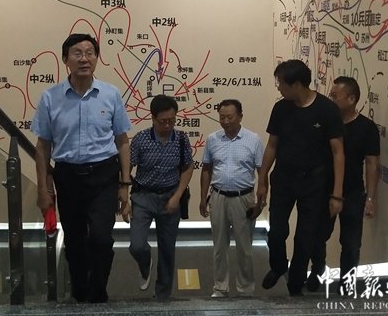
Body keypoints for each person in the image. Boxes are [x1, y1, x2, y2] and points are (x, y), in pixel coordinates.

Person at [32, 33, 132, 303]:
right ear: (66, 59)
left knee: (101, 238)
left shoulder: (110, 94)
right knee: (74, 240)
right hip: (68, 177)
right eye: (77, 53)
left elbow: (122, 141)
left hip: (104, 175)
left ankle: (98, 292)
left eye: (90, 53)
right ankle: (79, 292)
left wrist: (125, 184)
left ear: (97, 58)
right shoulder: (50, 97)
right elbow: (43, 146)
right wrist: (43, 189)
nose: (84, 58)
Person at [256, 59, 345, 296]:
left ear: (296, 84)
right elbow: (272, 146)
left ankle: (295, 284)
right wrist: (262, 179)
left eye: (281, 84)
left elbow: (338, 152)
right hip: (283, 179)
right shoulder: (281, 108)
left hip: (314, 183)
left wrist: (337, 194)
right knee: (276, 232)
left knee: (305, 237)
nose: (278, 87)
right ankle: (278, 266)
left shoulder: (327, 109)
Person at [306, 76, 380, 292]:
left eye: (335, 96)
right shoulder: (325, 122)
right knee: (317, 236)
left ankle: (347, 285)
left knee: (351, 243)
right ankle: (317, 270)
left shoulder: (367, 127)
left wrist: (370, 198)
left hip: (353, 192)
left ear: (351, 99)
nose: (330, 99)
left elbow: (372, 163)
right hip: (323, 189)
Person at [129, 94, 194, 301]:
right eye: (163, 121)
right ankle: (144, 263)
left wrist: (177, 195)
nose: (167, 125)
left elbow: (188, 167)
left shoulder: (181, 139)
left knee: (167, 248)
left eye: (172, 121)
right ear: (153, 118)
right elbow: (127, 166)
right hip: (143, 196)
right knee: (136, 245)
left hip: (170, 196)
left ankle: (162, 296)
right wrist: (122, 194)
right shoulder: (140, 139)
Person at [200, 99, 264, 298]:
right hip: (218, 196)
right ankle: (220, 287)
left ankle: (245, 289)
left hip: (243, 198)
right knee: (219, 247)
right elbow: (206, 169)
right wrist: (203, 198)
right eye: (222, 117)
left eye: (230, 117)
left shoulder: (253, 139)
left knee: (244, 248)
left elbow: (262, 173)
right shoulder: (213, 139)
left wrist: (261, 201)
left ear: (240, 116)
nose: (225, 121)